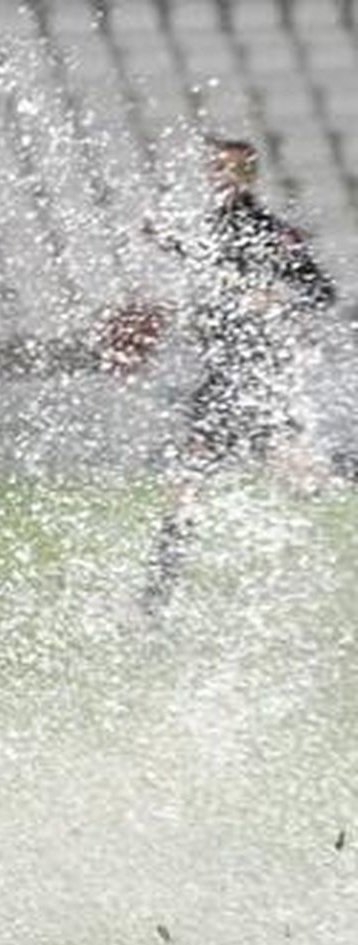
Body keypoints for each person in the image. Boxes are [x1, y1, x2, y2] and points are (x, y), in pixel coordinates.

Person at [134, 137, 338, 616]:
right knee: (192, 481)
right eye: (213, 168)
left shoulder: (264, 229)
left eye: (225, 168)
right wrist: (170, 242)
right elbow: (215, 266)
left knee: (274, 472)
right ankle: (154, 598)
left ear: (246, 175)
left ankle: (153, 600)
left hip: (250, 371)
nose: (215, 175)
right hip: (226, 370)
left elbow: (320, 293)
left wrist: (276, 301)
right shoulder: (218, 225)